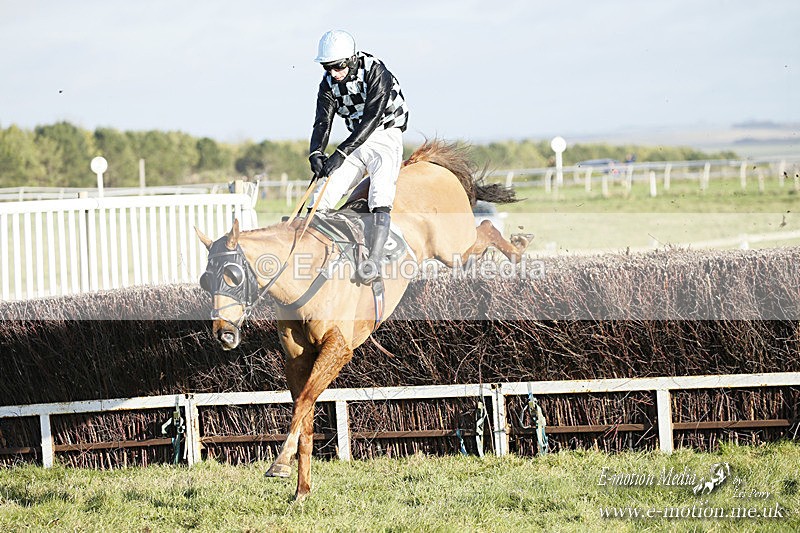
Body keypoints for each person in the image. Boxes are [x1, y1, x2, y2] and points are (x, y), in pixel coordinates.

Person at [307, 29, 409, 284]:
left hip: (385, 134)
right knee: (323, 194)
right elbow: (322, 121)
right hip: (355, 139)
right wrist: (316, 152)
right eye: (327, 67)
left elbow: (371, 117)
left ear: (351, 59)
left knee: (379, 194)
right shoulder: (327, 82)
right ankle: (319, 254)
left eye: (338, 66)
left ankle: (374, 261)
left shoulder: (376, 71)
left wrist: (340, 152)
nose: (333, 73)